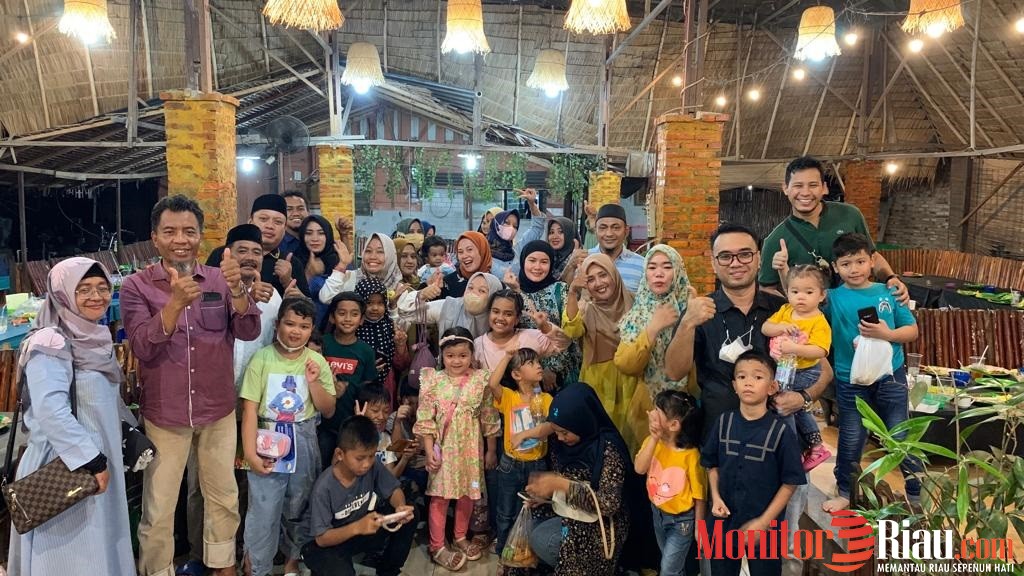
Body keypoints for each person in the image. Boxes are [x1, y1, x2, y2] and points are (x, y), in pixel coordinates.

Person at [664, 223, 833, 576]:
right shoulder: (703, 310)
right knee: (720, 556)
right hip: (721, 447)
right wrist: (687, 324)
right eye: (725, 256)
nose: (735, 263)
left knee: (774, 555)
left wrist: (802, 398)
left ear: (758, 259)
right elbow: (674, 370)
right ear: (713, 263)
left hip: (775, 449)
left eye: (744, 254)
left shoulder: (783, 308)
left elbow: (825, 372)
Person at [121, 195, 260, 576]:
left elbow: (249, 329)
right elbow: (141, 346)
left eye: (189, 231)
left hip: (217, 410)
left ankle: (222, 565)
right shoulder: (136, 286)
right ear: (155, 238)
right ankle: (158, 570)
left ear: (200, 235)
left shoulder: (219, 279)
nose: (180, 239)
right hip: (166, 414)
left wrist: (238, 291)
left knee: (223, 496)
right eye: (170, 231)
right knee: (159, 507)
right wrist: (174, 304)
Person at [7, 257, 134, 576]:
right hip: (65, 464)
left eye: (102, 287)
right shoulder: (50, 342)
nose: (97, 296)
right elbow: (50, 410)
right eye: (84, 289)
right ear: (62, 293)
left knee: (98, 546)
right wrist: (92, 461)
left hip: (96, 460)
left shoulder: (94, 337)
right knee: (72, 556)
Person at [183, 223, 283, 575]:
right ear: (226, 254)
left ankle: (240, 550)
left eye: (257, 252)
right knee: (201, 485)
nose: (250, 257)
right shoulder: (205, 292)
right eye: (242, 250)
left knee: (245, 483)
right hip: (208, 405)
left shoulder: (272, 300)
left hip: (253, 407)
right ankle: (199, 555)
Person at [822, 233, 920, 513]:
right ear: (835, 267)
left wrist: (887, 334)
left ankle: (915, 494)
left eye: (860, 261)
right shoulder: (832, 298)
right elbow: (802, 302)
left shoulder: (889, 292)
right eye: (846, 264)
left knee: (899, 434)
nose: (854, 269)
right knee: (852, 435)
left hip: (890, 375)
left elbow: (911, 330)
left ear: (873, 260)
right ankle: (845, 491)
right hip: (849, 378)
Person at [240, 297, 336, 576]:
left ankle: (293, 561)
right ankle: (256, 567)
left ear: (312, 329)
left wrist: (313, 382)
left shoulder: (316, 361)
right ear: (277, 323)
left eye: (304, 326)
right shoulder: (262, 358)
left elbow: (328, 409)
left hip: (304, 439)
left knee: (299, 504)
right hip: (267, 438)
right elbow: (249, 410)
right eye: (290, 324)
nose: (296, 331)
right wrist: (250, 454)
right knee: (263, 508)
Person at [701, 350, 806, 576]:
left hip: (766, 527)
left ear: (772, 387)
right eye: (742, 377)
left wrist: (763, 522)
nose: (748, 382)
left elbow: (790, 482)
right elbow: (712, 464)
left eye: (758, 377)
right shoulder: (723, 422)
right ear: (734, 385)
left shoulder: (781, 432)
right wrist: (716, 498)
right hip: (724, 522)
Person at [513, 383, 631, 576]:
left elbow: (608, 505)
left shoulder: (607, 450)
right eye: (556, 431)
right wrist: (546, 497)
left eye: (565, 432)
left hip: (600, 524)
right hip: (569, 509)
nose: (559, 438)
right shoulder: (562, 442)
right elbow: (564, 478)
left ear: (582, 423)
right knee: (526, 527)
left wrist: (561, 485)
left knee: (544, 539)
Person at [759, 156, 908, 303]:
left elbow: (872, 255)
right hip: (810, 317)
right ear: (785, 188)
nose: (805, 192)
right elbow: (767, 289)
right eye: (798, 186)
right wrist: (795, 306)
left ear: (824, 188)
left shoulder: (850, 215)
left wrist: (891, 278)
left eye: (813, 185)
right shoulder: (775, 240)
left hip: (854, 309)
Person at [414, 327, 500, 570]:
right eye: (450, 355)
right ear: (442, 355)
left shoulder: (480, 380)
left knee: (467, 494)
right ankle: (437, 545)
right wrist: (428, 451)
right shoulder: (433, 380)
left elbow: (489, 417)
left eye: (463, 355)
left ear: (472, 355)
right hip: (443, 450)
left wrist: (491, 450)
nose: (456, 361)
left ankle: (460, 536)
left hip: (471, 450)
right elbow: (425, 418)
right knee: (440, 497)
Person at [301, 415, 416, 576]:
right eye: (360, 458)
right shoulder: (324, 488)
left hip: (356, 530)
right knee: (342, 572)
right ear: (340, 454)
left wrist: (400, 507)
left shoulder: (372, 467)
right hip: (322, 543)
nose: (367, 463)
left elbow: (393, 490)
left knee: (410, 515)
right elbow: (322, 539)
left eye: (371, 455)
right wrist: (357, 527)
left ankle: (388, 571)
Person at [614, 245, 691, 451]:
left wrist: (688, 322)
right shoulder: (637, 314)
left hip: (687, 407)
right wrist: (653, 328)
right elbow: (625, 364)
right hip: (647, 409)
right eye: (652, 267)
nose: (659, 273)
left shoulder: (691, 309)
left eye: (667, 266)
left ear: (678, 271)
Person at [761, 265, 833, 470]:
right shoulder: (786, 311)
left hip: (805, 371)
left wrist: (795, 348)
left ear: (821, 295)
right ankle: (812, 446)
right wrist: (781, 327)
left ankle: (796, 448)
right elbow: (766, 327)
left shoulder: (818, 321)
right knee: (792, 407)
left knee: (784, 404)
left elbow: (820, 350)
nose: (801, 297)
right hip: (785, 368)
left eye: (808, 292)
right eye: (795, 291)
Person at [487, 346, 552, 561]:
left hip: (537, 464)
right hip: (511, 464)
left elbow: (551, 426)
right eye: (531, 363)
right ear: (516, 374)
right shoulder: (509, 397)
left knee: (533, 510)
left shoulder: (546, 399)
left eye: (538, 362)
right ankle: (503, 555)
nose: (538, 366)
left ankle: (527, 557)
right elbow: (492, 384)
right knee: (505, 513)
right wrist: (507, 357)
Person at [562, 253, 637, 437]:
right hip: (599, 384)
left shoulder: (636, 302)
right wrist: (572, 292)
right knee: (600, 437)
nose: (598, 283)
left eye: (603, 275)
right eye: (590, 279)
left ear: (614, 274)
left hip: (632, 381)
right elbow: (571, 331)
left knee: (631, 436)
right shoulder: (586, 308)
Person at [634, 390, 705, 576]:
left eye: (658, 411)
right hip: (657, 512)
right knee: (671, 564)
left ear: (674, 425)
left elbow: (699, 493)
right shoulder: (652, 442)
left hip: (681, 521)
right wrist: (654, 438)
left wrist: (699, 526)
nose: (651, 413)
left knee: (668, 569)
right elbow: (639, 469)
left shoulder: (691, 455)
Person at [508, 240, 583, 390]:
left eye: (544, 262)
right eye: (532, 260)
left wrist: (552, 369)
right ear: (523, 262)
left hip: (563, 374)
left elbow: (570, 335)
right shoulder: (513, 293)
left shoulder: (560, 290)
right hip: (524, 376)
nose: (537, 267)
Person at [318, 292, 379, 467]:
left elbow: (368, 388)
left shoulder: (365, 351)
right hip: (322, 424)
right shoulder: (322, 344)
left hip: (351, 425)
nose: (347, 319)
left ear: (361, 319)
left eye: (354, 314)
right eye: (342, 313)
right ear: (332, 317)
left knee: (347, 468)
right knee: (322, 467)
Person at [207, 193, 292, 295]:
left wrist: (287, 282)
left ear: (285, 228)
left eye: (278, 222)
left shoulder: (290, 262)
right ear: (250, 221)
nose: (270, 226)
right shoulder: (222, 254)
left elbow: (303, 303)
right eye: (263, 219)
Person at [396, 271, 504, 338]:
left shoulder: (500, 319)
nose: (473, 293)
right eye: (470, 288)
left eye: (482, 291)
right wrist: (422, 295)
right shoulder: (449, 307)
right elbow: (405, 314)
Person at [354, 277, 408, 405]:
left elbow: (402, 365)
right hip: (358, 385)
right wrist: (368, 370)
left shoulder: (390, 326)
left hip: (386, 384)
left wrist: (400, 346)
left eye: (380, 303)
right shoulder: (354, 328)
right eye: (369, 303)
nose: (375, 308)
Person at [572, 204, 644, 293]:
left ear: (626, 231)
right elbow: (568, 294)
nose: (609, 234)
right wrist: (570, 267)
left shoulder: (641, 264)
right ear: (596, 230)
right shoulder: (583, 260)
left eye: (616, 228)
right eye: (603, 228)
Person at [319, 232, 403, 304]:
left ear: (391, 256)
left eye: (380, 252)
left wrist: (392, 306)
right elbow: (325, 298)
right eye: (368, 251)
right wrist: (341, 266)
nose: (372, 256)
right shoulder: (349, 278)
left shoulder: (398, 288)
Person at [440, 231, 493, 299]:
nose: (464, 256)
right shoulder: (448, 282)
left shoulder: (494, 284)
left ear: (482, 251)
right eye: (460, 252)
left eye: (469, 250)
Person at [488, 209, 520, 280]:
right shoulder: (484, 252)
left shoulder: (515, 252)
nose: (511, 228)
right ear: (496, 224)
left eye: (515, 226)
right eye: (506, 222)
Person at [280, 190, 309, 257]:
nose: (296, 213)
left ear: (308, 212)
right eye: (289, 209)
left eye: (300, 209)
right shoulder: (275, 244)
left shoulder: (316, 240)